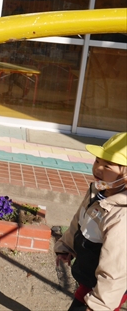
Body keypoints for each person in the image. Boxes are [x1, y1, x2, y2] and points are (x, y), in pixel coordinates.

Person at [55, 132, 127, 311]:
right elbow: (79, 221)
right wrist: (66, 246)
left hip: (107, 286)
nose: (98, 168)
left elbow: (116, 267)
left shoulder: (121, 215)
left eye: (107, 166)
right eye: (97, 161)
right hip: (91, 274)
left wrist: (99, 305)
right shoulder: (97, 192)